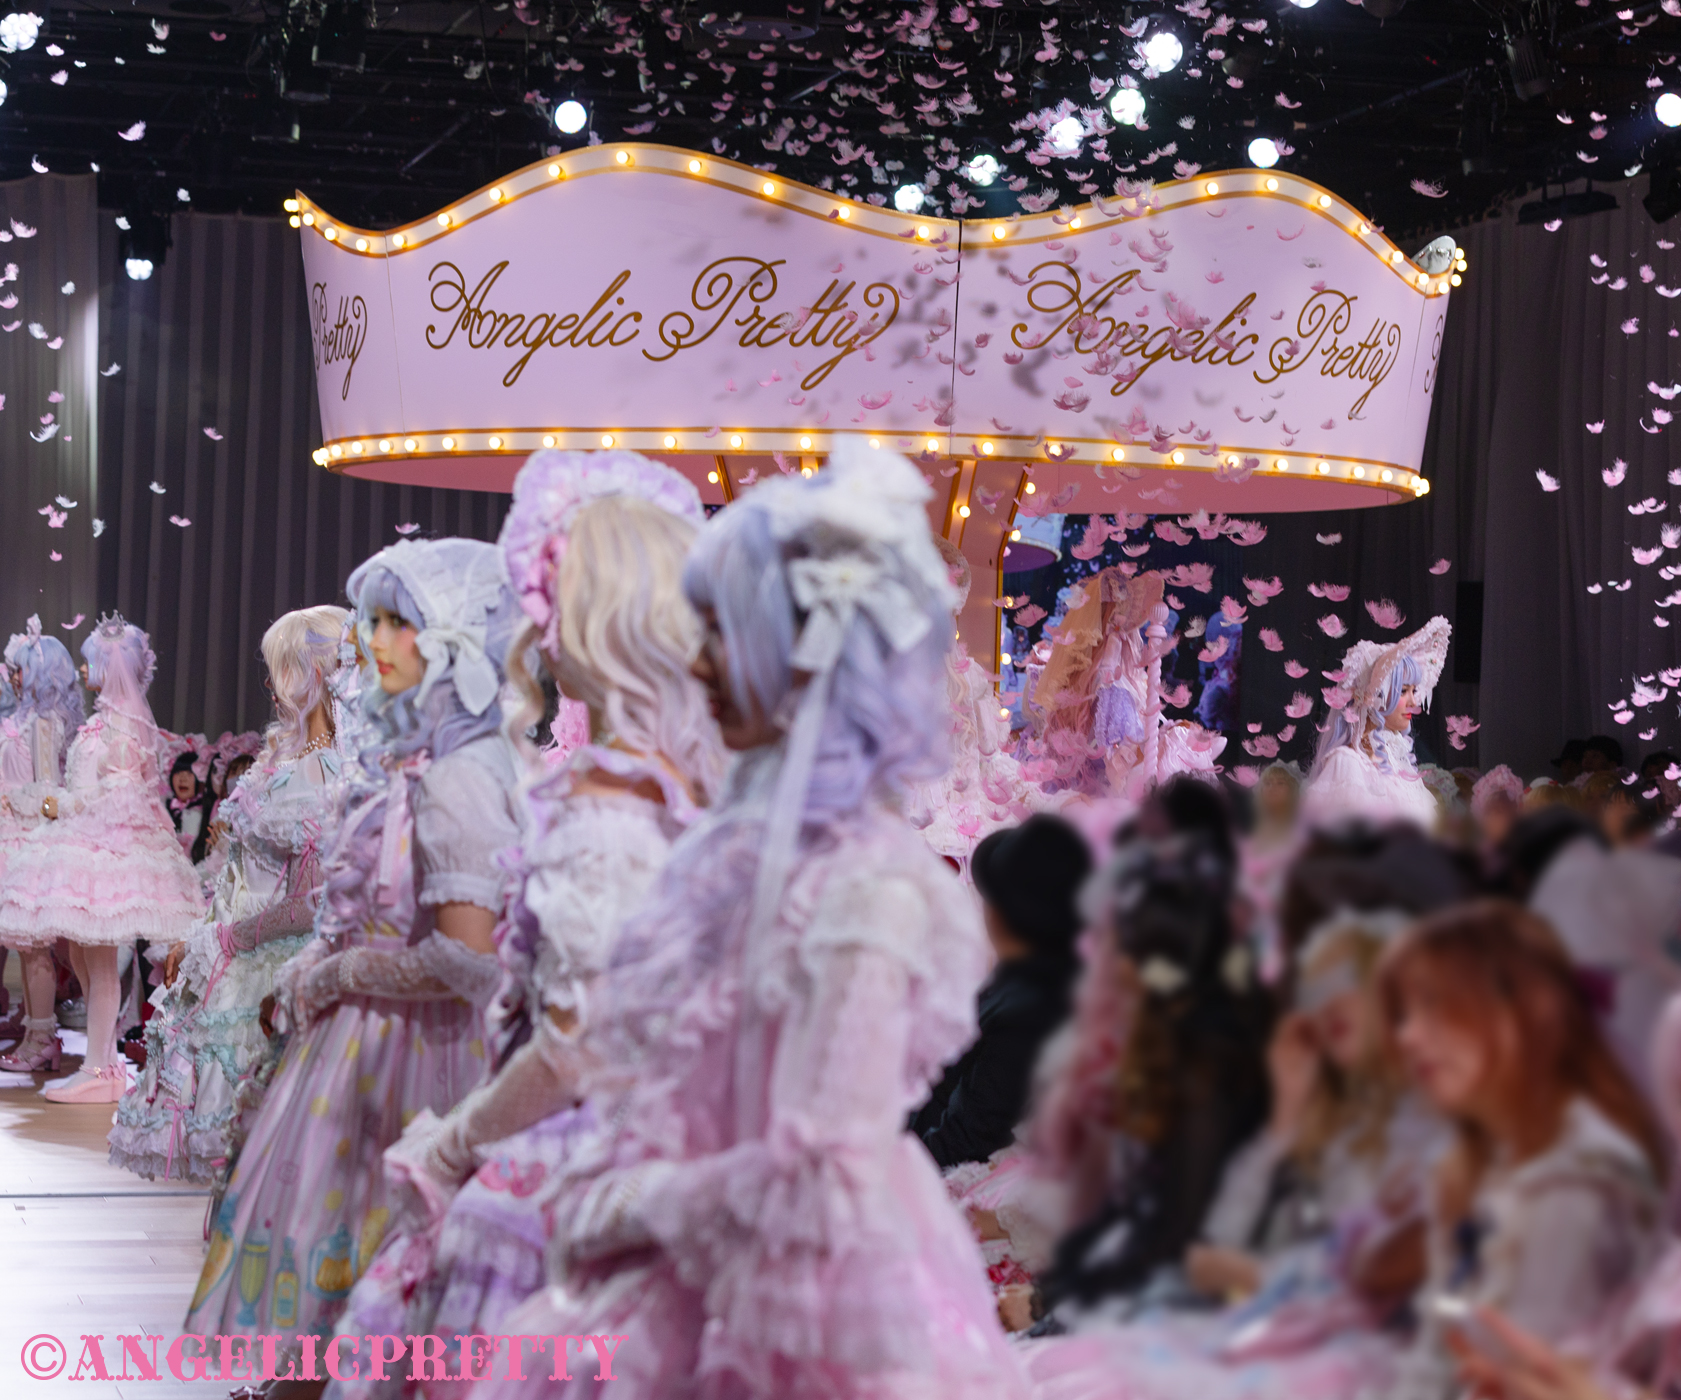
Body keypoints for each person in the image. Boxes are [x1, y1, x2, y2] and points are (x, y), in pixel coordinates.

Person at [477, 439, 1029, 1399]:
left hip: (800, 1296)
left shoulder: (869, 886)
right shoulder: (729, 845)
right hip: (680, 1255)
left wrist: (624, 1201)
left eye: (723, 632)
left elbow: (817, 1169)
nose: (695, 661)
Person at [324, 449, 722, 1398]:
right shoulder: (694, 790)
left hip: (585, 1163)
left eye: (550, 595)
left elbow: (578, 1043)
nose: (534, 624)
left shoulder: (608, 808)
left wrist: (455, 1143)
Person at [185, 538, 524, 1350]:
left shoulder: (461, 775)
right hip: (364, 1046)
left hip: (422, 1056)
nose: (371, 643)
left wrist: (337, 973)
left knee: (394, 1276)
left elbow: (468, 958)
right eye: (373, 623)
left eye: (397, 624)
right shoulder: (414, 764)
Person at [1377, 901, 1665, 1400]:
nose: (1407, 1036)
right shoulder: (1472, 1167)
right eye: (1401, 1014)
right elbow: (1439, 1340)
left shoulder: (1579, 1182)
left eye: (1434, 1004)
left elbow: (1525, 1376)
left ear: (1525, 1007)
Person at [107, 605, 350, 1184]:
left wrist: (228, 940)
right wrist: (201, 937)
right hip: (230, 956)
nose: (269, 684)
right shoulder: (281, 760)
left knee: (267, 1157)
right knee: (237, 1165)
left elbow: (314, 903)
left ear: (312, 673)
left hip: (269, 969)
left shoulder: (328, 773)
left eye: (279, 669)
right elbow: (238, 875)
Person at [0, 615, 204, 1100]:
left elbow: (121, 794)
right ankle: (103, 1059)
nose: (83, 669)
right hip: (85, 835)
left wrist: (60, 804)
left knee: (99, 954)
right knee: (79, 951)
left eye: (90, 661)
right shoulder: (103, 720)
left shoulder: (124, 724)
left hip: (108, 846)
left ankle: (99, 1069)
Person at [913, 813, 1092, 1169]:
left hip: (943, 1164)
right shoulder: (1026, 976)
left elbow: (972, 1132)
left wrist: (897, 1175)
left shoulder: (1031, 1011)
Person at [0, 620, 86, 1072]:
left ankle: (42, 1038)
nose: (14, 676)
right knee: (24, 944)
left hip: (27, 839)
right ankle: (34, 1029)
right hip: (10, 835)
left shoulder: (45, 722)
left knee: (34, 945)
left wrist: (14, 803)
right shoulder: (21, 717)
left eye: (20, 668)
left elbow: (48, 792)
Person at [1301, 617, 1452, 833]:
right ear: (1376, 696)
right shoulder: (1347, 764)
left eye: (1413, 691)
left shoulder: (1398, 763)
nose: (1413, 701)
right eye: (1403, 691)